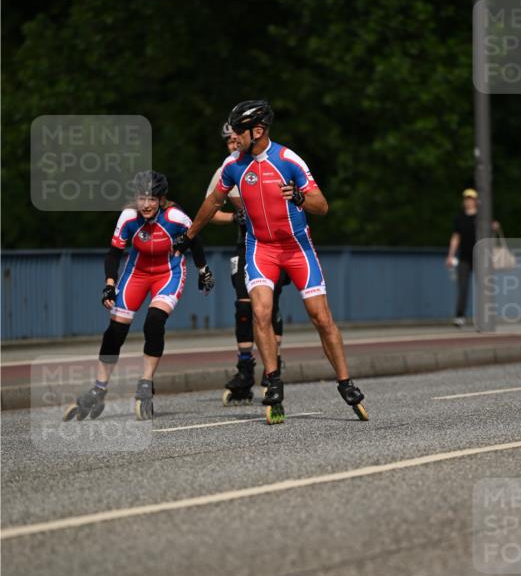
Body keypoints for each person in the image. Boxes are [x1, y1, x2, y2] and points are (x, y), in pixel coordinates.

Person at [174, 99, 367, 424]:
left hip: (296, 248)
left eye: (239, 131)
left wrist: (301, 197)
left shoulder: (287, 159)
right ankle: (273, 382)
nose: (234, 137)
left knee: (320, 318)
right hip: (260, 248)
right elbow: (212, 202)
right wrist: (190, 235)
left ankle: (345, 382)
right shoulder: (234, 165)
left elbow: (323, 206)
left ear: (258, 130)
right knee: (259, 312)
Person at [63, 170, 214, 421]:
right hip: (137, 272)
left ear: (161, 200)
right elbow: (113, 253)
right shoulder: (128, 217)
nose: (146, 204)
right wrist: (109, 284)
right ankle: (99, 387)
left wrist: (203, 270)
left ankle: (145, 382)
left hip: (169, 272)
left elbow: (194, 239)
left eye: (152, 199)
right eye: (142, 198)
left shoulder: (175, 216)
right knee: (115, 331)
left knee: (154, 321)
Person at [208, 123, 290, 405]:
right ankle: (245, 369)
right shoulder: (226, 169)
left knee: (270, 306)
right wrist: (234, 218)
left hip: (276, 244)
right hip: (246, 244)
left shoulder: (270, 162)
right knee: (244, 305)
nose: (234, 146)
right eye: (228, 142)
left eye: (236, 140)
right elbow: (210, 211)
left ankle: (273, 366)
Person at [446, 188, 498, 326]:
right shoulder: (459, 218)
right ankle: (460, 316)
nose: (468, 201)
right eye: (466, 199)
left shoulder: (482, 217)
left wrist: (494, 227)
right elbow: (456, 237)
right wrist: (450, 255)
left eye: (471, 199)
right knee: (462, 288)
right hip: (464, 258)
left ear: (476, 201)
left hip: (480, 257)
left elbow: (491, 231)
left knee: (483, 287)